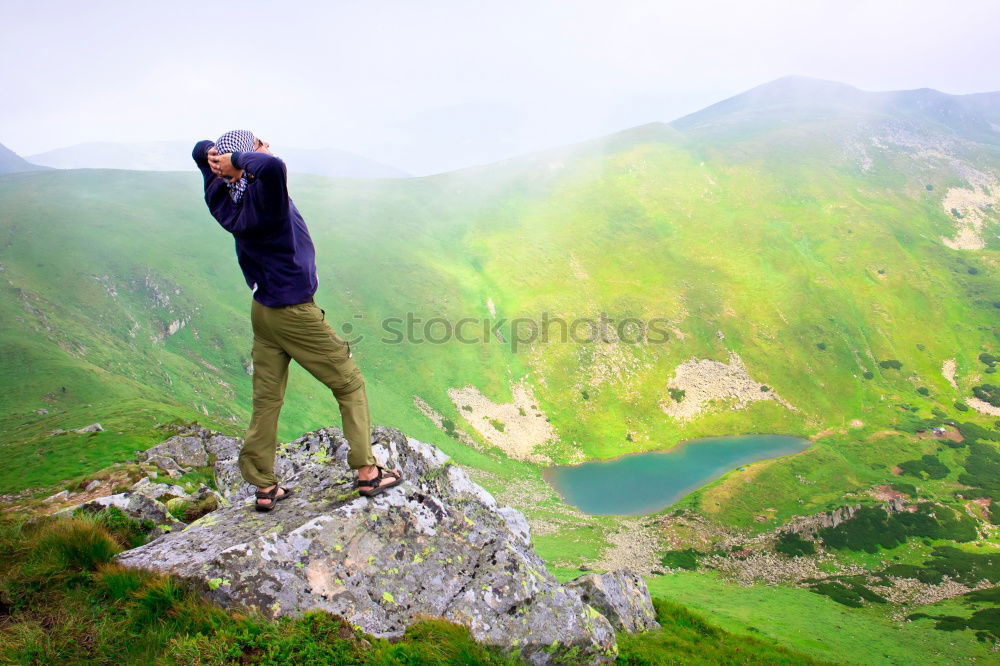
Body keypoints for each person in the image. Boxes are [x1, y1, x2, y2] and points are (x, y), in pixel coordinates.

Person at [191, 130, 402, 511]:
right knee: (349, 382)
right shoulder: (264, 196)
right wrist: (238, 159)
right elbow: (272, 166)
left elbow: (199, 152)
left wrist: (212, 156)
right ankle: (368, 472)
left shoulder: (223, 199)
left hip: (263, 312)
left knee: (266, 400)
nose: (267, 144)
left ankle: (264, 486)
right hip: (294, 312)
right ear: (245, 157)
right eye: (259, 142)